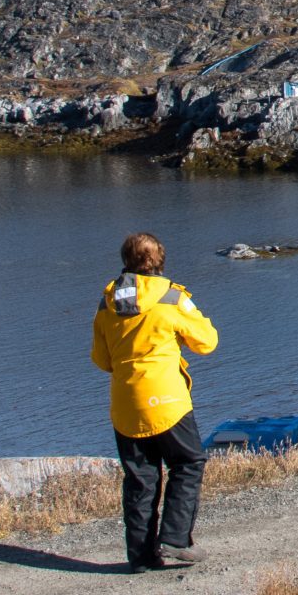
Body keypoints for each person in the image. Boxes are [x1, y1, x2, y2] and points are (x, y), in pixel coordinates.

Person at [91, 232, 220, 571]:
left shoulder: (107, 304)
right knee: (188, 463)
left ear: (126, 262)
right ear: (159, 261)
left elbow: (102, 360)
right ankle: (175, 539)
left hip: (125, 404)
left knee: (140, 479)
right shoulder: (172, 298)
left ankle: (141, 556)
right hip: (167, 400)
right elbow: (207, 342)